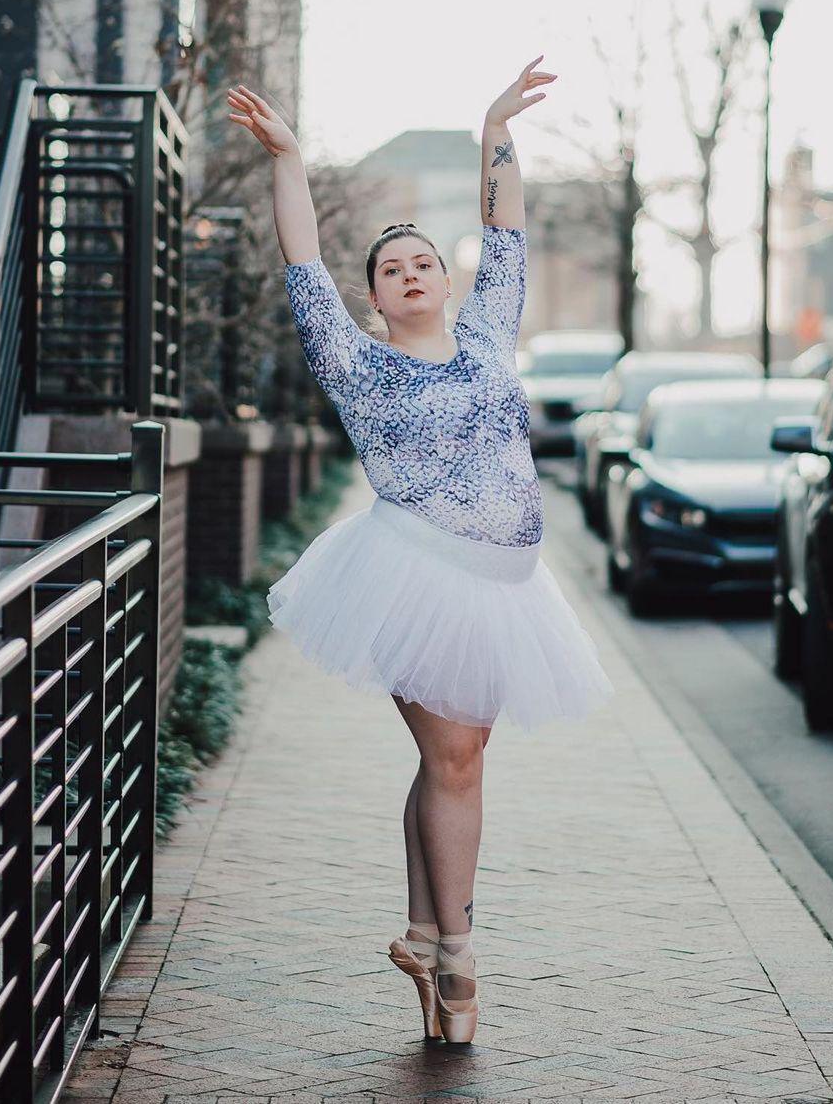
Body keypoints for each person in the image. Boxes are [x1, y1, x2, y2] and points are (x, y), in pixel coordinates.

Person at [227, 58, 615, 1046]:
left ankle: (418, 931)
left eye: (421, 262)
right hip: (412, 576)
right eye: (390, 267)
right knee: (454, 761)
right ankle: (458, 955)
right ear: (377, 296)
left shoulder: (489, 333)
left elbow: (508, 229)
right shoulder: (355, 364)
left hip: (510, 586)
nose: (410, 271)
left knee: (463, 753)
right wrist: (290, 158)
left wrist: (494, 129)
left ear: (445, 279)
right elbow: (304, 261)